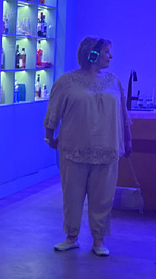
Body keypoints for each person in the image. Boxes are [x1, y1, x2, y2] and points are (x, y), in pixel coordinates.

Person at [44, 37, 133, 257]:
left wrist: (128, 140)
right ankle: (71, 236)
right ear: (92, 54)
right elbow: (54, 111)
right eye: (106, 52)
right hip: (74, 148)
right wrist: (50, 136)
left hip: (107, 147)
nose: (110, 56)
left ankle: (99, 239)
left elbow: (123, 115)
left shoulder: (114, 81)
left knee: (103, 197)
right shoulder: (67, 81)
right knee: (72, 196)